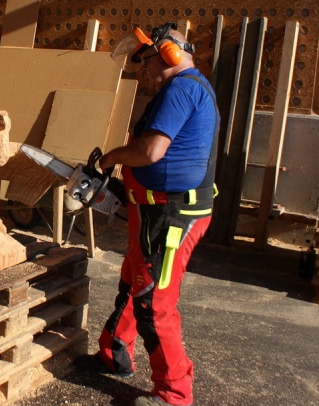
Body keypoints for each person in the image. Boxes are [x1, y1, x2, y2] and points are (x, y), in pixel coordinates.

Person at [74, 22, 219, 406]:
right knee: (133, 281)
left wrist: (110, 159)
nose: (144, 70)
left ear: (169, 53)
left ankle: (174, 394)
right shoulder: (182, 88)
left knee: (153, 300)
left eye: (147, 61)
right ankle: (114, 352)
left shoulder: (182, 88)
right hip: (153, 207)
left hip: (171, 215)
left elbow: (151, 151)